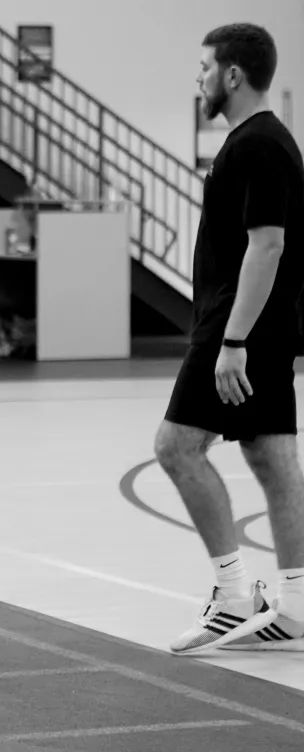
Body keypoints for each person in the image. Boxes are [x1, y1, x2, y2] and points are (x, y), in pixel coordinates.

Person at [155, 24, 304, 655]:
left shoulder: (259, 145)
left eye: (205, 67)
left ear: (233, 74)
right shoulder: (257, 142)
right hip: (264, 327)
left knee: (177, 448)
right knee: (272, 458)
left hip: (238, 329)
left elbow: (268, 246)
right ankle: (295, 606)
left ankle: (234, 594)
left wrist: (234, 340)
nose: (199, 79)